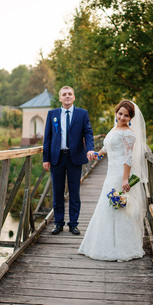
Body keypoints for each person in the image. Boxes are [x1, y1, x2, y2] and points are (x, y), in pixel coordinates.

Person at [78, 100, 148, 262]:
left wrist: (125, 179)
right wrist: (98, 154)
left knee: (119, 207)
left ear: (131, 118)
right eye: (120, 113)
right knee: (108, 206)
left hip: (120, 174)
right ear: (116, 113)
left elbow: (128, 157)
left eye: (126, 115)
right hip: (111, 172)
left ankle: (122, 247)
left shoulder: (129, 134)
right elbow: (108, 147)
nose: (122, 117)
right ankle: (105, 243)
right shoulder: (115, 128)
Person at [43, 86, 95, 235]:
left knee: (74, 192)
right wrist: (46, 158)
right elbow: (47, 138)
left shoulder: (82, 114)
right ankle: (58, 223)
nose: (67, 96)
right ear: (60, 98)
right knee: (57, 192)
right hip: (56, 158)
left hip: (75, 158)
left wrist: (90, 149)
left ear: (73, 97)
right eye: (64, 94)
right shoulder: (52, 114)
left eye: (69, 94)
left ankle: (73, 224)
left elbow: (88, 133)